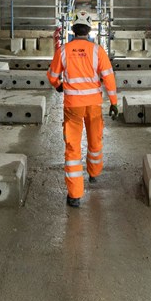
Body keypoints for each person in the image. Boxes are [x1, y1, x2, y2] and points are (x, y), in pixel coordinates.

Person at [47, 15, 118, 208]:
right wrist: (114, 102)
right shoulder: (97, 51)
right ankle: (94, 174)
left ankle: (75, 195)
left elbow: (53, 76)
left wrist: (59, 86)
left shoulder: (64, 50)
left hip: (73, 106)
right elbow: (109, 78)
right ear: (89, 31)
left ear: (73, 30)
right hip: (94, 104)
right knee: (95, 139)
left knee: (72, 147)